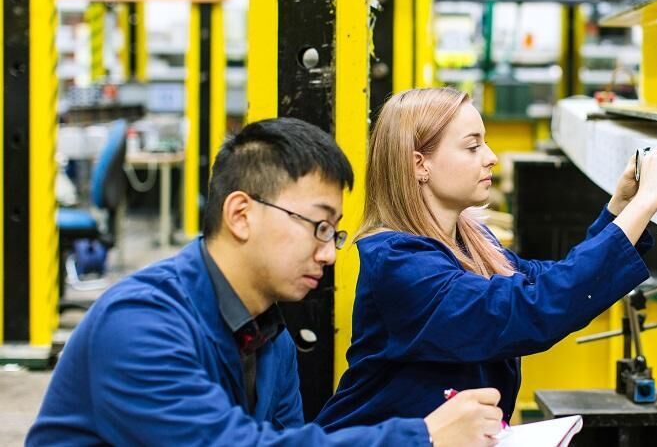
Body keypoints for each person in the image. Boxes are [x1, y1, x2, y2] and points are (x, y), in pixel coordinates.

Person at [28, 117, 503, 446]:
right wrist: (423, 436)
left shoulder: (269, 338)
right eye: (316, 226)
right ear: (240, 214)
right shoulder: (139, 325)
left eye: (333, 231)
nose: (328, 252)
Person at [314, 88, 657, 431]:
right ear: (419, 164)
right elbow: (530, 309)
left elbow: (544, 281)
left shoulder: (472, 239)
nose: (491, 158)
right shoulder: (398, 264)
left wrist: (619, 209)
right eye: (472, 147)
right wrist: (646, 202)